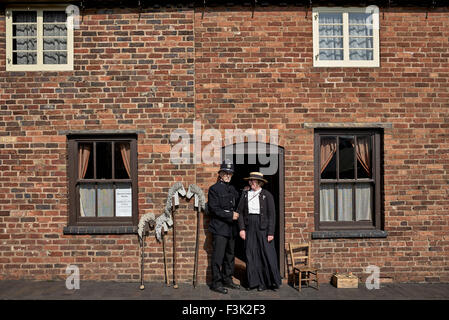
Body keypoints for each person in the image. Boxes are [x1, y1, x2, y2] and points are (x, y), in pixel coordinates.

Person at [237, 171, 282, 291]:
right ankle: (252, 283)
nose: (251, 182)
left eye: (253, 181)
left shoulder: (267, 195)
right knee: (250, 254)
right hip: (249, 226)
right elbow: (240, 212)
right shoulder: (245, 194)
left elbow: (272, 215)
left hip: (263, 227)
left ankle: (264, 283)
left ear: (260, 183)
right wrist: (242, 229)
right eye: (250, 180)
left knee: (264, 254)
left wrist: (271, 233)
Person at [207, 161, 241, 294]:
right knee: (218, 257)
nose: (227, 175)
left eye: (230, 173)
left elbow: (239, 202)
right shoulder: (214, 189)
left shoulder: (232, 189)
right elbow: (214, 209)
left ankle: (227, 279)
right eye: (225, 173)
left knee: (230, 256)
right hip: (219, 229)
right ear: (220, 174)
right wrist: (230, 215)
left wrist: (246, 192)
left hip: (231, 230)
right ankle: (216, 283)